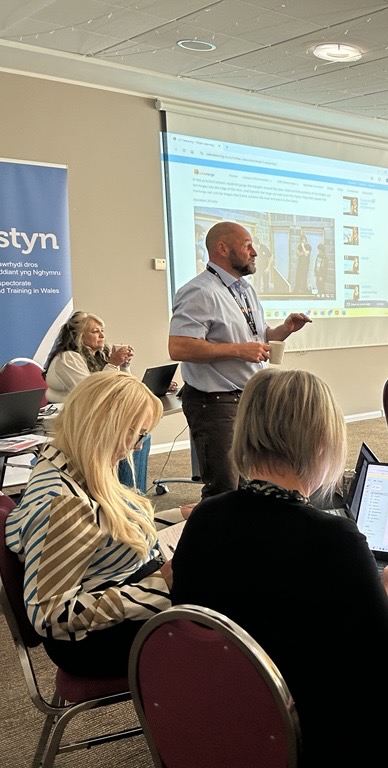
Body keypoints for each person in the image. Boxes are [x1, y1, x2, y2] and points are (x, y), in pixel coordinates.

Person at [169, 368, 388, 764]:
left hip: (220, 717)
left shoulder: (204, 519)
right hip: (312, 731)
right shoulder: (335, 539)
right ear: (323, 442)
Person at [5, 372, 176, 677]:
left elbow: (106, 531)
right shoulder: (64, 505)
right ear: (104, 428)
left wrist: (180, 517)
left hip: (124, 595)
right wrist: (156, 587)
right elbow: (51, 615)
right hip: (96, 642)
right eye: (137, 434)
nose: (138, 447)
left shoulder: (73, 464)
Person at [168, 221, 312, 498]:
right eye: (247, 245)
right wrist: (238, 350)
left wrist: (284, 330)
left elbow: (258, 336)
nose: (255, 252)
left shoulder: (244, 289)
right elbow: (179, 347)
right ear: (223, 248)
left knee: (252, 484)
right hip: (216, 403)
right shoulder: (200, 291)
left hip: (248, 399)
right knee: (224, 489)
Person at [43, 311, 152, 493]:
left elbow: (125, 388)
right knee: (132, 437)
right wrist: (113, 364)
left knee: (141, 434)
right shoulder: (68, 358)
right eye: (95, 331)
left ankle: (131, 494)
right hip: (73, 421)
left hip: (94, 417)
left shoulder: (100, 355)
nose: (102, 335)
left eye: (102, 330)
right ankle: (124, 494)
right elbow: (93, 393)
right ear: (78, 336)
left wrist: (124, 365)